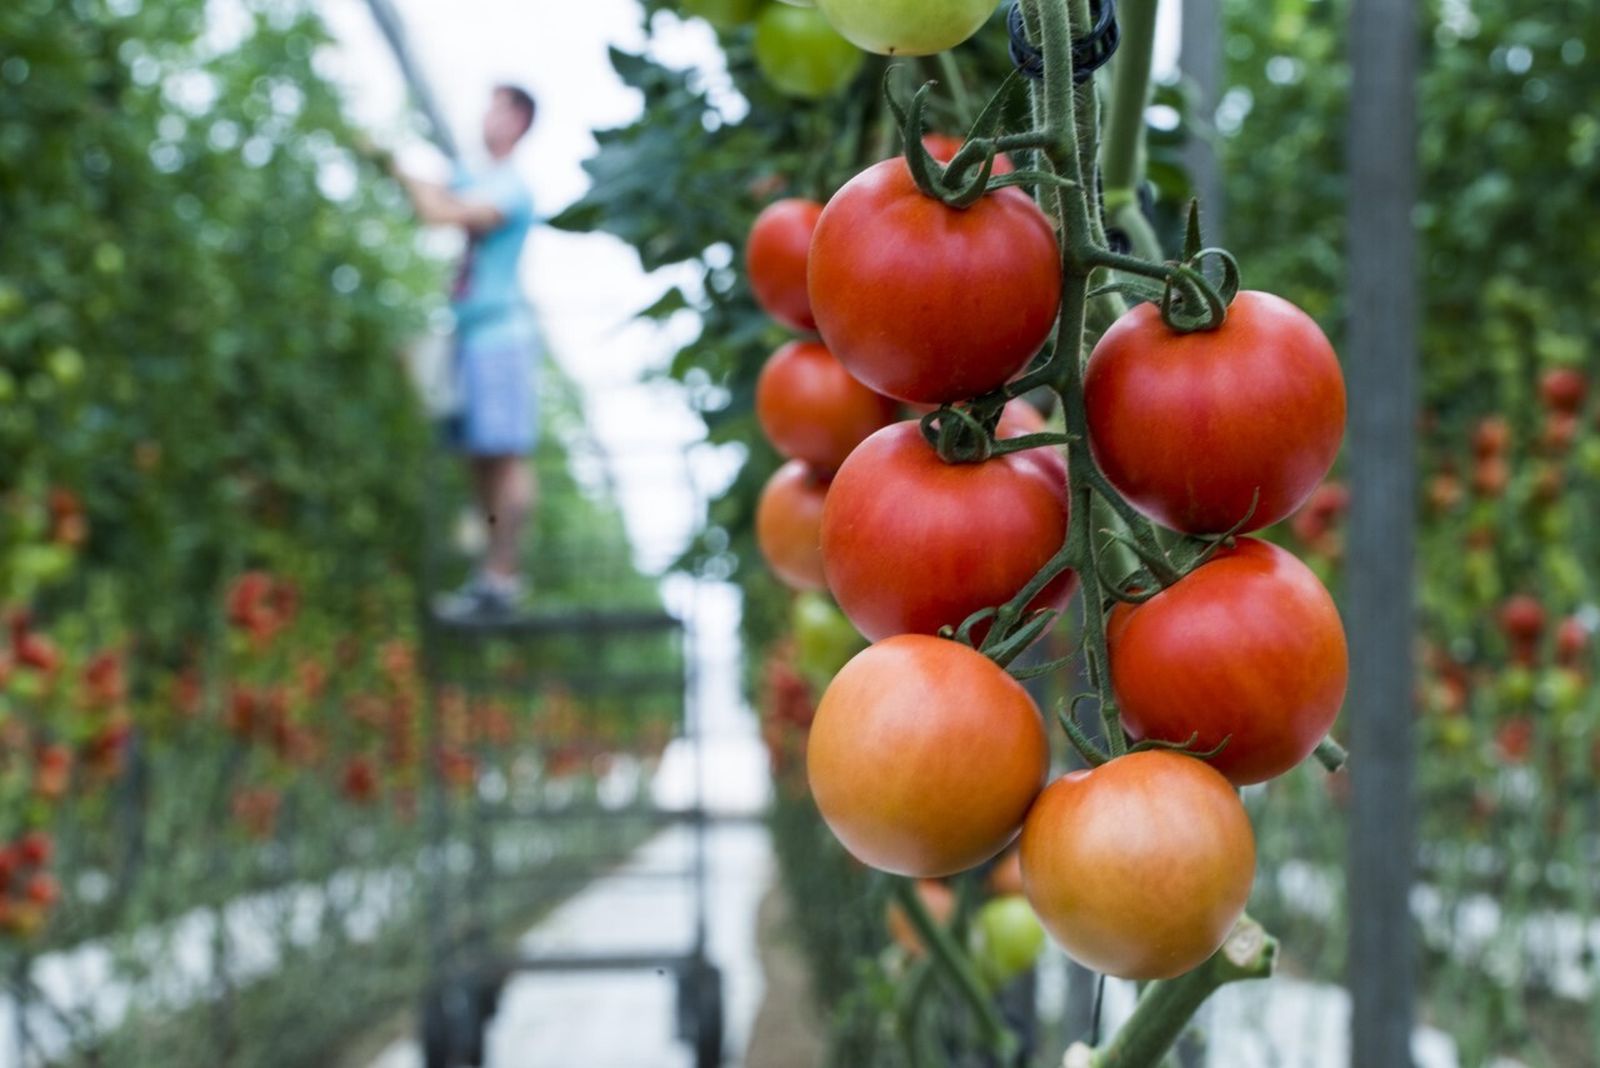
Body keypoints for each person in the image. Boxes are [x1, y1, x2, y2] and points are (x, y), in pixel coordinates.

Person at [395, 85, 540, 619]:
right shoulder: (476, 178)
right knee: (481, 459)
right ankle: (490, 574)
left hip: (501, 336)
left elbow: (438, 211)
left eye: (497, 107)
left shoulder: (510, 188)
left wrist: (402, 171)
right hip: (471, 335)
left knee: (505, 456)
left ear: (519, 121)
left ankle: (504, 574)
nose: (485, 116)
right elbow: (436, 194)